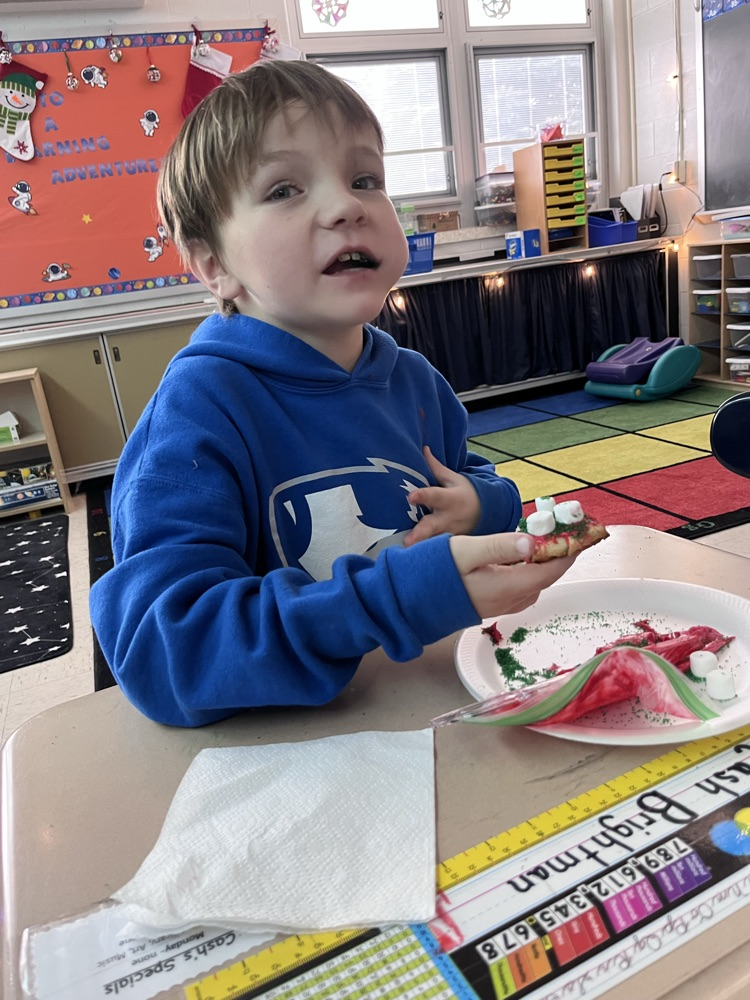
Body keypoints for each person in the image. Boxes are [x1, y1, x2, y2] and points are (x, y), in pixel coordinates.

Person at [89, 59, 575, 727]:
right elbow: (164, 653)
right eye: (285, 188)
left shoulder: (413, 379)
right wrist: (397, 599)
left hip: (437, 708)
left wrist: (481, 504)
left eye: (365, 179)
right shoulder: (198, 412)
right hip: (289, 755)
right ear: (214, 265)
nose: (346, 205)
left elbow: (477, 486)